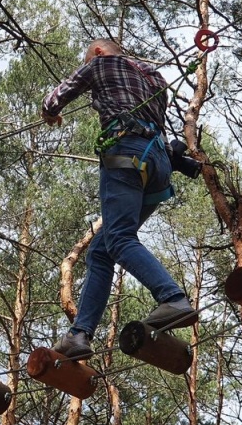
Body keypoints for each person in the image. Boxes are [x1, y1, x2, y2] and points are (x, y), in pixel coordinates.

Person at [41, 39, 197, 360]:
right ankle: (80, 334)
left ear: (98, 52)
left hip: (125, 154)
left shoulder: (100, 64)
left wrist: (50, 113)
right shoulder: (154, 77)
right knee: (101, 249)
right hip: (157, 165)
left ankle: (173, 298)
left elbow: (56, 98)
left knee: (120, 238)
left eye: (88, 56)